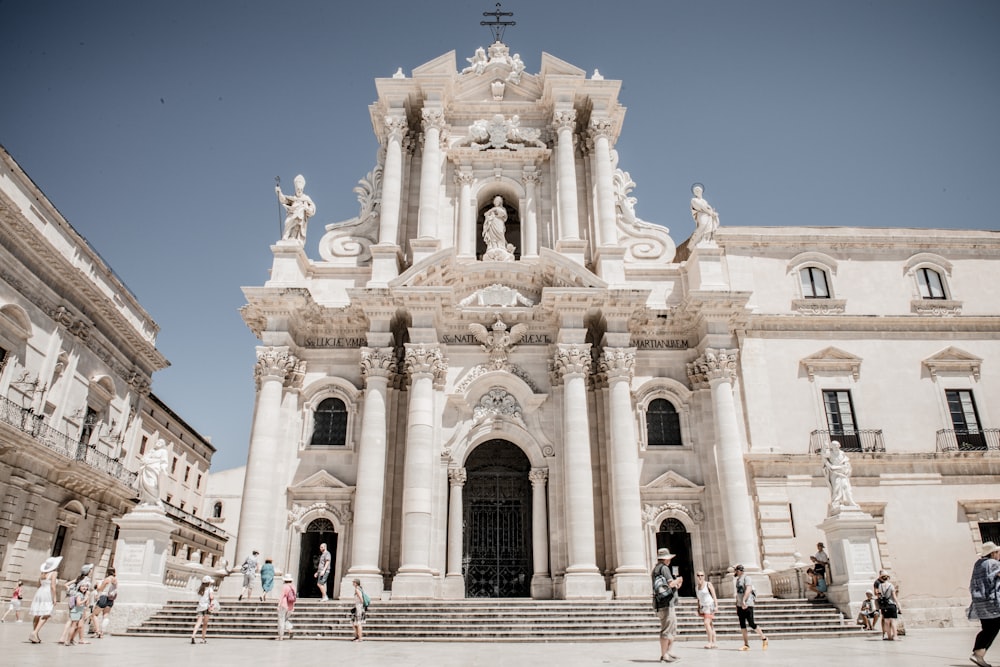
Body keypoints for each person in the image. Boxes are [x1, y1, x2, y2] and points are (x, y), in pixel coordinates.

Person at [968, 541, 1000, 667]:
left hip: (980, 603)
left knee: (987, 629)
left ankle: (978, 654)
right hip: (992, 603)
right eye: (998, 552)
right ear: (993, 553)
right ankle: (978, 654)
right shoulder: (992, 563)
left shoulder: (978, 564)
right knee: (992, 628)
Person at [651, 547, 683, 663]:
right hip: (667, 603)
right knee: (666, 629)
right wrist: (679, 580)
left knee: (672, 628)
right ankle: (664, 655)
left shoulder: (655, 569)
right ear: (666, 559)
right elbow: (671, 584)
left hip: (660, 603)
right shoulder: (664, 569)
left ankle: (669, 651)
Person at [733, 564, 768, 651]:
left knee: (751, 623)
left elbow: (748, 589)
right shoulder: (737, 580)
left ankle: (764, 638)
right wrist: (737, 604)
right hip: (740, 604)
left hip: (748, 604)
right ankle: (746, 644)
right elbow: (738, 594)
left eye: (736, 570)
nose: (735, 572)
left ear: (739, 571)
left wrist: (744, 600)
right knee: (742, 625)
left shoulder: (746, 578)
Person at [58, 563, 93, 645]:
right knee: (80, 621)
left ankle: (63, 637)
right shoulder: (87, 580)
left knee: (70, 620)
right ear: (88, 571)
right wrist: (86, 600)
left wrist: (72, 592)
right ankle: (78, 639)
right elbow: (87, 592)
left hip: (72, 600)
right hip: (80, 601)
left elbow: (66, 584)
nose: (92, 571)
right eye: (91, 569)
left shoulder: (78, 578)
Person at [29, 555, 61, 643]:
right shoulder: (54, 573)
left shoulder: (42, 573)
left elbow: (38, 584)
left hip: (40, 592)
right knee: (47, 613)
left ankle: (35, 634)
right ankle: (35, 632)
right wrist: (55, 598)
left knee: (37, 613)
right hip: (47, 593)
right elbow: (53, 586)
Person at [276, 174, 316, 243]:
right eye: (298, 189)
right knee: (287, 222)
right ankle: (286, 237)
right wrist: (279, 192)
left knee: (297, 223)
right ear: (295, 189)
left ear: (302, 189)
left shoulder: (306, 198)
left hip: (300, 217)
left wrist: (308, 209)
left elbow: (312, 208)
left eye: (300, 189)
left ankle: (295, 238)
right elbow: (283, 200)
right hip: (291, 215)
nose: (299, 190)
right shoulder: (293, 199)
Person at [823, 440, 858, 509]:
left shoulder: (842, 453)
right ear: (831, 447)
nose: (835, 447)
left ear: (839, 445)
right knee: (837, 487)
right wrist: (825, 447)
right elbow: (824, 455)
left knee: (846, 486)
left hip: (843, 472)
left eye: (837, 445)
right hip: (835, 473)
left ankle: (850, 501)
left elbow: (846, 463)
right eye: (833, 446)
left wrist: (846, 468)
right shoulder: (830, 453)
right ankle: (837, 502)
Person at [138, 438, 169, 506]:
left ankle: (155, 500)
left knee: (152, 484)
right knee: (145, 484)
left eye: (161, 442)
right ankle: (147, 500)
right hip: (146, 468)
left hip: (155, 469)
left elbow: (164, 461)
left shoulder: (163, 451)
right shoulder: (151, 451)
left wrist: (163, 469)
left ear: (163, 445)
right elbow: (144, 458)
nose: (159, 442)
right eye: (158, 441)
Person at [482, 195, 512, 259]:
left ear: (500, 202)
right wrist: (490, 214)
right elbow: (486, 214)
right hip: (492, 223)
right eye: (495, 201)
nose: (496, 202)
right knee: (492, 235)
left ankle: (501, 246)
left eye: (498, 201)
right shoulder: (492, 209)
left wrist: (495, 210)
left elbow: (504, 216)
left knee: (500, 233)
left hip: (499, 223)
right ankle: (493, 246)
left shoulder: (503, 209)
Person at [92, 566, 118, 638]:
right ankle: (102, 632)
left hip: (103, 597)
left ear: (107, 572)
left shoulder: (107, 579)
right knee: (105, 615)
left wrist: (98, 585)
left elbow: (100, 589)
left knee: (94, 615)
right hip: (110, 599)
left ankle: (97, 631)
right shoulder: (115, 580)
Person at [695, 570, 718, 649]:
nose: (700, 577)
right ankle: (714, 642)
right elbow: (698, 599)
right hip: (704, 607)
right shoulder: (696, 587)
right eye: (698, 575)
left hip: (710, 605)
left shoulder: (708, 584)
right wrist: (698, 608)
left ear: (704, 576)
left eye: (702, 575)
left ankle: (710, 642)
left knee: (706, 623)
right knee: (710, 625)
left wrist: (716, 606)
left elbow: (714, 595)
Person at [876, 569, 901, 640]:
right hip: (891, 605)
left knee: (886, 621)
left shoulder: (880, 586)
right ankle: (895, 636)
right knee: (893, 621)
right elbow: (894, 597)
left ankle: (889, 636)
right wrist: (898, 606)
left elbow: (879, 595)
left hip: (884, 606)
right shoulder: (891, 586)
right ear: (888, 578)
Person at [191, 575, 215, 644]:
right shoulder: (210, 589)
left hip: (200, 607)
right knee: (205, 624)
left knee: (198, 622)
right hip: (207, 607)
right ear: (209, 582)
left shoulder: (200, 589)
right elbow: (211, 597)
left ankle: (193, 635)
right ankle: (203, 638)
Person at [66, 579, 91, 645]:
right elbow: (78, 603)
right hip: (76, 611)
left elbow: (86, 604)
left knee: (78, 626)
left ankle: (71, 640)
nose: (84, 588)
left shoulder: (83, 594)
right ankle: (67, 640)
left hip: (79, 611)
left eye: (86, 586)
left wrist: (87, 597)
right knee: (73, 626)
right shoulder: (79, 594)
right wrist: (85, 599)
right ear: (79, 587)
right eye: (82, 586)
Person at [277, 573, 296, 641]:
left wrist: (278, 605)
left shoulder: (285, 586)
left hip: (284, 605)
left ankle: (281, 637)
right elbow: (294, 597)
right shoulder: (293, 587)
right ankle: (290, 630)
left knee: (281, 621)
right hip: (290, 606)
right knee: (285, 620)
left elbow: (282, 596)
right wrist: (293, 607)